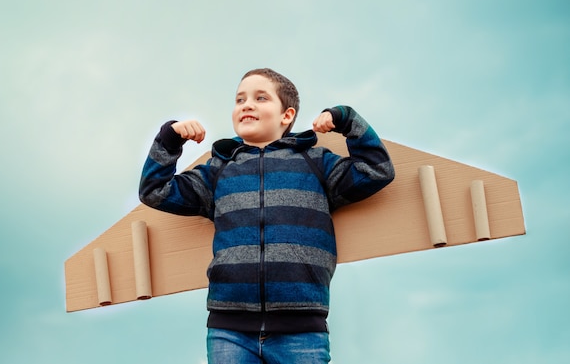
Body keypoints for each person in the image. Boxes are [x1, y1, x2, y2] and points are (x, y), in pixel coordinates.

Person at [139, 68, 395, 363]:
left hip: (302, 330)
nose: (247, 104)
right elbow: (154, 191)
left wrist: (348, 120)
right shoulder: (217, 171)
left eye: (260, 98)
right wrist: (170, 140)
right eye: (240, 100)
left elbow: (376, 170)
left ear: (286, 116)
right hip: (228, 330)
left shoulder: (316, 163)